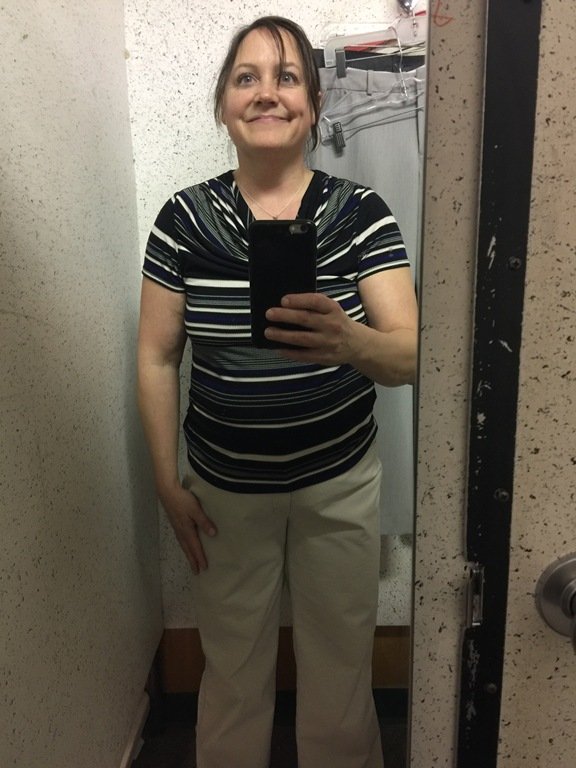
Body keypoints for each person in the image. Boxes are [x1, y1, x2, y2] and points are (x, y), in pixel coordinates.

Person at [137, 15, 418, 768]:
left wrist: (351, 342)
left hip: (340, 483)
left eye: (288, 77)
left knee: (341, 668)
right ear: (223, 104)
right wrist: (166, 482)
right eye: (247, 77)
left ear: (315, 104)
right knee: (231, 667)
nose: (267, 92)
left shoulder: (361, 214)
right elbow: (157, 356)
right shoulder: (182, 220)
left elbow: (411, 355)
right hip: (223, 490)